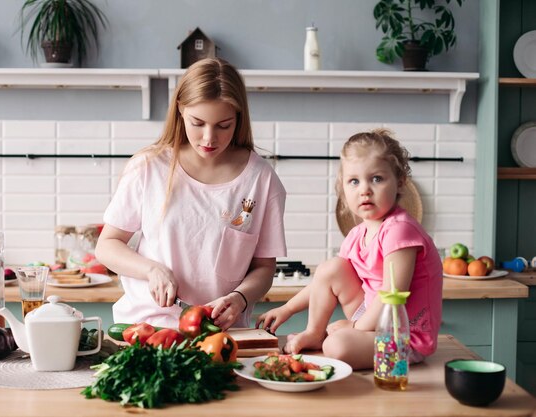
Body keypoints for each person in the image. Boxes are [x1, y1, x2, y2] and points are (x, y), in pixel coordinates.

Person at [96, 58, 287, 331]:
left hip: (222, 335)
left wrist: (240, 298)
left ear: (239, 119)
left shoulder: (261, 179)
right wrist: (152, 270)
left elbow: (264, 268)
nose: (209, 138)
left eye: (223, 125)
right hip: (147, 327)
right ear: (180, 110)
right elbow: (107, 245)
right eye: (198, 123)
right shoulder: (149, 167)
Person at [256, 129, 442, 370]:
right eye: (354, 181)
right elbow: (324, 281)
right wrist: (288, 308)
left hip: (404, 335)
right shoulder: (356, 235)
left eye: (376, 179)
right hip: (370, 319)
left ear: (400, 182)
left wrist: (353, 327)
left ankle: (335, 338)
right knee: (331, 267)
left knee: (337, 346)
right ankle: (314, 332)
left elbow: (390, 297)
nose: (364, 189)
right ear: (343, 189)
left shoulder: (400, 230)